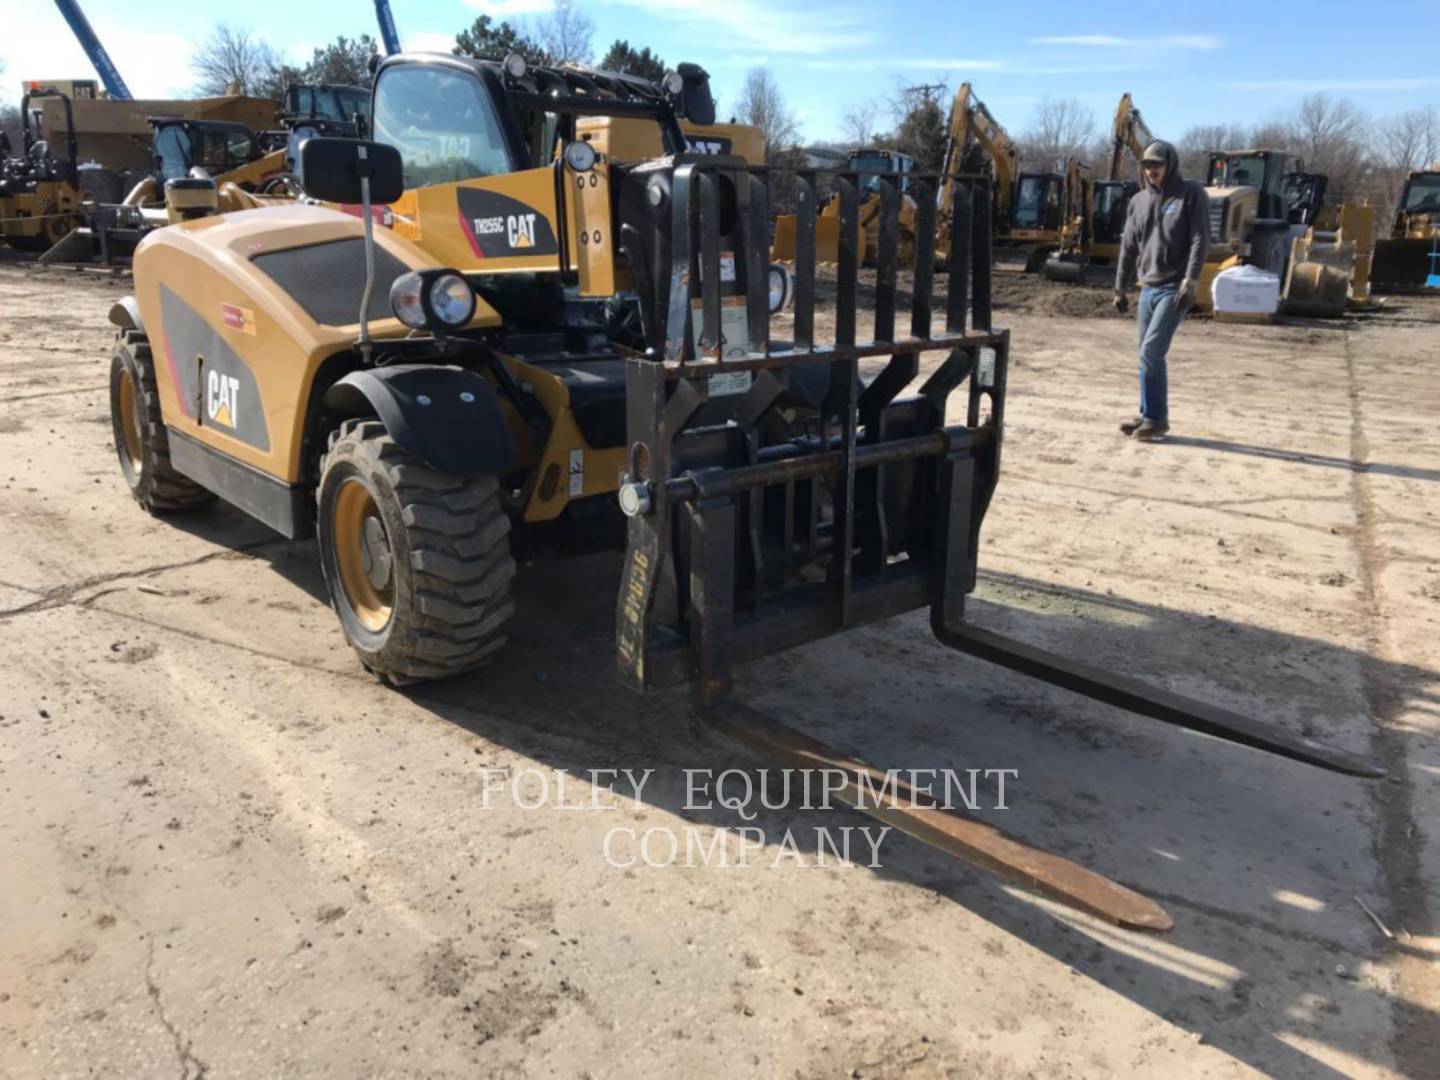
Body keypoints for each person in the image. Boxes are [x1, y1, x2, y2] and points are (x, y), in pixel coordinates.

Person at [1113, 140, 1210, 441]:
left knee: (1152, 351)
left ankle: (1157, 419)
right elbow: (1128, 247)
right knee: (1144, 354)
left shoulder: (1190, 194)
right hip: (1148, 288)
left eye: (1156, 165)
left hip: (1174, 287)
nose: (1151, 170)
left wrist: (1191, 281)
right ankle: (1147, 414)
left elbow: (1199, 239)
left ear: (1170, 165)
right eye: (1146, 165)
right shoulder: (1138, 201)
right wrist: (1120, 287)